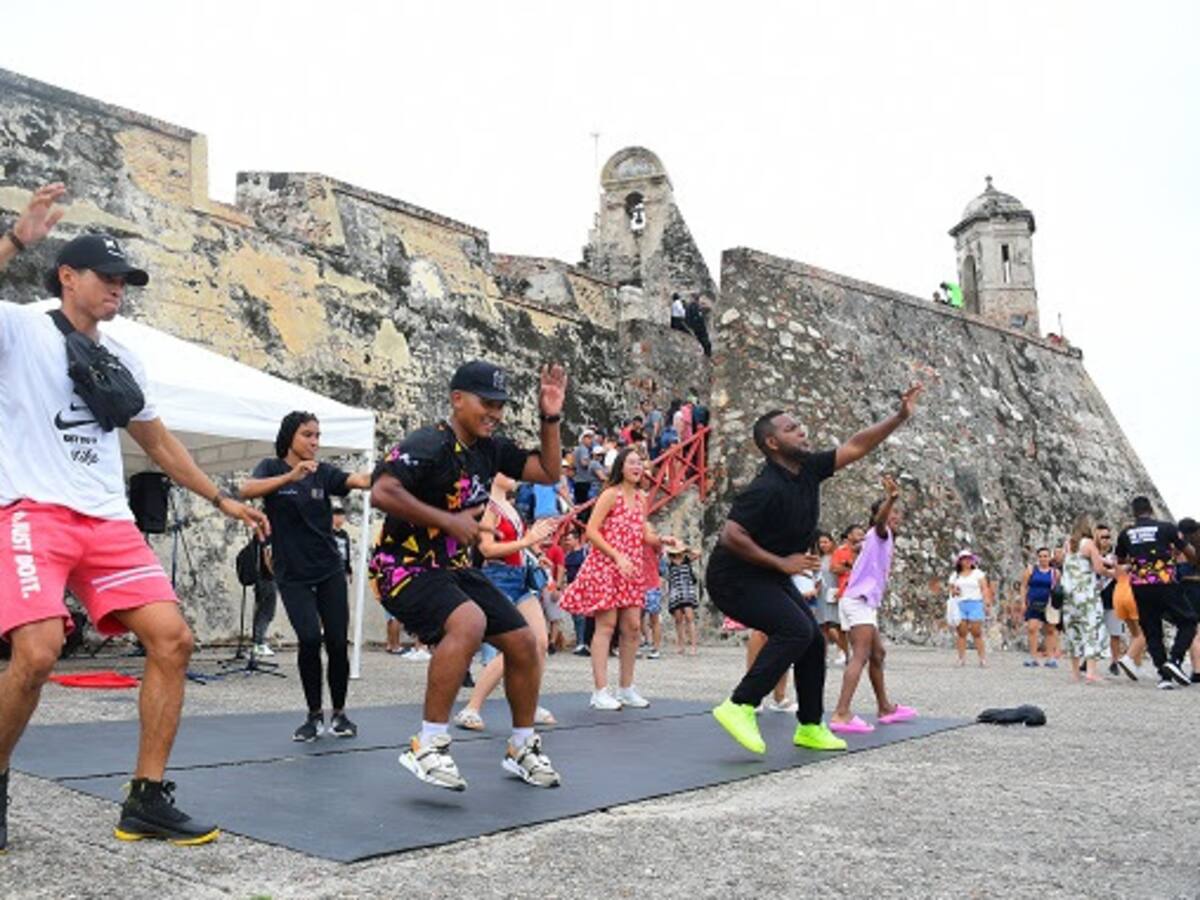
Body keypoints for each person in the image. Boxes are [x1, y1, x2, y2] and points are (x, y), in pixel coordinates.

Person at [0, 184, 268, 849]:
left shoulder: (127, 356)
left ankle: (146, 800)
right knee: (36, 653)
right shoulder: (21, 328)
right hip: (34, 509)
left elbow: (157, 441)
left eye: (126, 279)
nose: (120, 288)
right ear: (68, 276)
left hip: (106, 519)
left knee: (173, 640)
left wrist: (221, 497)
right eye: (108, 277)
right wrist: (15, 239)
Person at [370, 359, 567, 790]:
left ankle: (521, 746)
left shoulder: (490, 449)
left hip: (454, 569)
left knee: (525, 642)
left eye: (500, 405)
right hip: (403, 567)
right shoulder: (428, 443)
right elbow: (382, 491)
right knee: (470, 622)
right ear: (457, 399)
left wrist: (550, 417)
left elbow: (549, 472)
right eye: (487, 403)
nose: (495, 413)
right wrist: (447, 519)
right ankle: (429, 743)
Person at [706, 384, 924, 756]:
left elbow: (856, 446)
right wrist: (783, 563)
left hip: (766, 576)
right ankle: (740, 705)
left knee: (811, 637)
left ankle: (809, 725)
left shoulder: (807, 469)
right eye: (791, 428)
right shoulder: (765, 488)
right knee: (794, 629)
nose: (801, 430)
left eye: (800, 425)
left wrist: (900, 416)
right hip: (733, 579)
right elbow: (731, 534)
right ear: (772, 443)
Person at [240, 413, 371, 742]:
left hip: (328, 569)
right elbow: (245, 490)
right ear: (290, 437)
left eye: (318, 436)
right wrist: (290, 478)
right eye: (307, 435)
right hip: (291, 573)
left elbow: (357, 480)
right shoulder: (271, 468)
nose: (315, 442)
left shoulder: (323, 472)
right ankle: (313, 715)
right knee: (310, 639)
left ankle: (339, 714)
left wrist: (392, 472)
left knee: (338, 642)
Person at [560, 448, 677, 710]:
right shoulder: (610, 495)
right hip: (607, 565)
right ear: (621, 467)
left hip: (630, 567)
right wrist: (617, 556)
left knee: (633, 626)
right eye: (632, 462)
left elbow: (642, 532)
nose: (637, 466)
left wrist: (660, 540)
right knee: (606, 625)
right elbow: (591, 531)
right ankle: (600, 691)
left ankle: (626, 688)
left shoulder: (641, 497)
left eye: (640, 462)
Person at [452, 472, 558, 732]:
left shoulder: (508, 507)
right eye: (507, 471)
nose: (514, 476)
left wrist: (534, 553)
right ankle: (471, 708)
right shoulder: (490, 508)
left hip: (519, 577)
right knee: (514, 647)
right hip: (499, 578)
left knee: (540, 642)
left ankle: (529, 703)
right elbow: (486, 549)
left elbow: (516, 544)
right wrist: (528, 542)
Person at [829, 475, 918, 734]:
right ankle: (841, 712)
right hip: (858, 602)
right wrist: (890, 499)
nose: (895, 517)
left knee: (877, 654)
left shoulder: (877, 538)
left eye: (897, 514)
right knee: (860, 656)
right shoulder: (880, 533)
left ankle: (885, 707)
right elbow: (880, 523)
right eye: (891, 513)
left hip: (862, 603)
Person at [1114, 497, 1197, 689]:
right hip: (1165, 582)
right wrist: (1176, 556)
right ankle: (1175, 660)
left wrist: (1139, 558)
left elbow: (1120, 560)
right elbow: (1190, 553)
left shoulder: (1126, 533)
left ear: (1134, 512)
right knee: (1189, 621)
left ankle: (1164, 676)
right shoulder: (1166, 528)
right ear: (1151, 510)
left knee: (1152, 629)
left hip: (1140, 586)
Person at [1059, 516, 1113, 683]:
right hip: (1086, 594)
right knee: (1091, 629)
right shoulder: (1088, 543)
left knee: (1073, 630)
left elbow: (1065, 563)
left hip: (1069, 594)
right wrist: (1114, 574)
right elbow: (1098, 568)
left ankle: (1075, 673)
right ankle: (1091, 672)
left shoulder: (1068, 544)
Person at [949, 550, 992, 667]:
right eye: (964, 559)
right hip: (960, 604)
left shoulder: (978, 573)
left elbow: (984, 588)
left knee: (976, 631)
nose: (967, 561)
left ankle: (982, 658)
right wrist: (954, 591)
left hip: (975, 603)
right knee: (961, 632)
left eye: (969, 559)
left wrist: (986, 601)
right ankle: (961, 658)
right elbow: (951, 590)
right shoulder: (955, 575)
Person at [828, 526, 863, 665]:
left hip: (861, 592)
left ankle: (859, 653)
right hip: (844, 592)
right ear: (849, 536)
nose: (862, 535)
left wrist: (848, 567)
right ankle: (845, 653)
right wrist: (850, 567)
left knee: (860, 626)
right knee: (843, 627)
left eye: (863, 533)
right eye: (858, 533)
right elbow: (834, 568)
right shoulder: (840, 551)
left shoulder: (866, 550)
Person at [1018, 547, 1056, 666]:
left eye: (1045, 556)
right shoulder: (1031, 570)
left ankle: (1050, 657)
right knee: (1032, 628)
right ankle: (1033, 656)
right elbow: (1023, 586)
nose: (1043, 559)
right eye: (1040, 556)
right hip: (1033, 602)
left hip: (1048, 603)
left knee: (1049, 630)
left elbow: (1057, 588)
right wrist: (1023, 601)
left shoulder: (1055, 572)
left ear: (1050, 558)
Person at [1176, 518, 1200, 683]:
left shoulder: (1185, 550)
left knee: (1193, 632)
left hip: (1191, 592)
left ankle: (1197, 669)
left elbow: (1180, 573)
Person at [666, 545, 700, 655]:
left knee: (690, 618)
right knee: (678, 620)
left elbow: (698, 553)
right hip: (675, 592)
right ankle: (681, 645)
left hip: (687, 591)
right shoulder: (669, 562)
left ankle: (693, 646)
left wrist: (686, 549)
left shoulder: (686, 559)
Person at [814, 533, 842, 658]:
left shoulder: (837, 556)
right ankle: (822, 654)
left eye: (826, 542)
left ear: (831, 542)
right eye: (821, 542)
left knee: (835, 625)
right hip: (822, 594)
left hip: (834, 592)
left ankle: (843, 650)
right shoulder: (819, 558)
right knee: (822, 626)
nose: (823, 545)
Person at [251, 537, 277, 657]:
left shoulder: (258, 538)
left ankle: (257, 643)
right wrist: (275, 574)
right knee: (267, 612)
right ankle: (259, 643)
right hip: (267, 580)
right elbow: (267, 558)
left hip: (260, 579)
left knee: (260, 611)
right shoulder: (267, 538)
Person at [640, 545, 666, 660]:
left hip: (651, 585)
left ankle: (656, 648)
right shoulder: (632, 542)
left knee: (654, 619)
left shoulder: (654, 545)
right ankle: (637, 645)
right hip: (637, 585)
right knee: (634, 619)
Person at [571, 431, 596, 506]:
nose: (590, 440)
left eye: (591, 438)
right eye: (588, 438)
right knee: (585, 506)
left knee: (579, 505)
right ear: (583, 439)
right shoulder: (584, 449)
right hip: (583, 481)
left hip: (577, 480)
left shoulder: (576, 449)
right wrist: (592, 461)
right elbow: (584, 463)